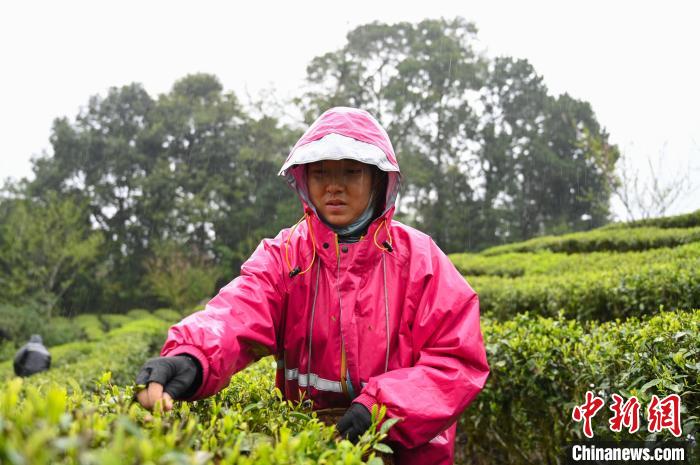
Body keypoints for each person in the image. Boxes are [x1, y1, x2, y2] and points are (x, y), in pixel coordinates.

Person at [135, 107, 489, 464]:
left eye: (351, 171)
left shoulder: (420, 260)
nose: (333, 186)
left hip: (407, 455)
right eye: (320, 172)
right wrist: (192, 357)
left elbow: (455, 361)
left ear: (378, 179)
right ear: (304, 179)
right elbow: (239, 311)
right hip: (310, 450)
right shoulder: (285, 256)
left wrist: (382, 408)